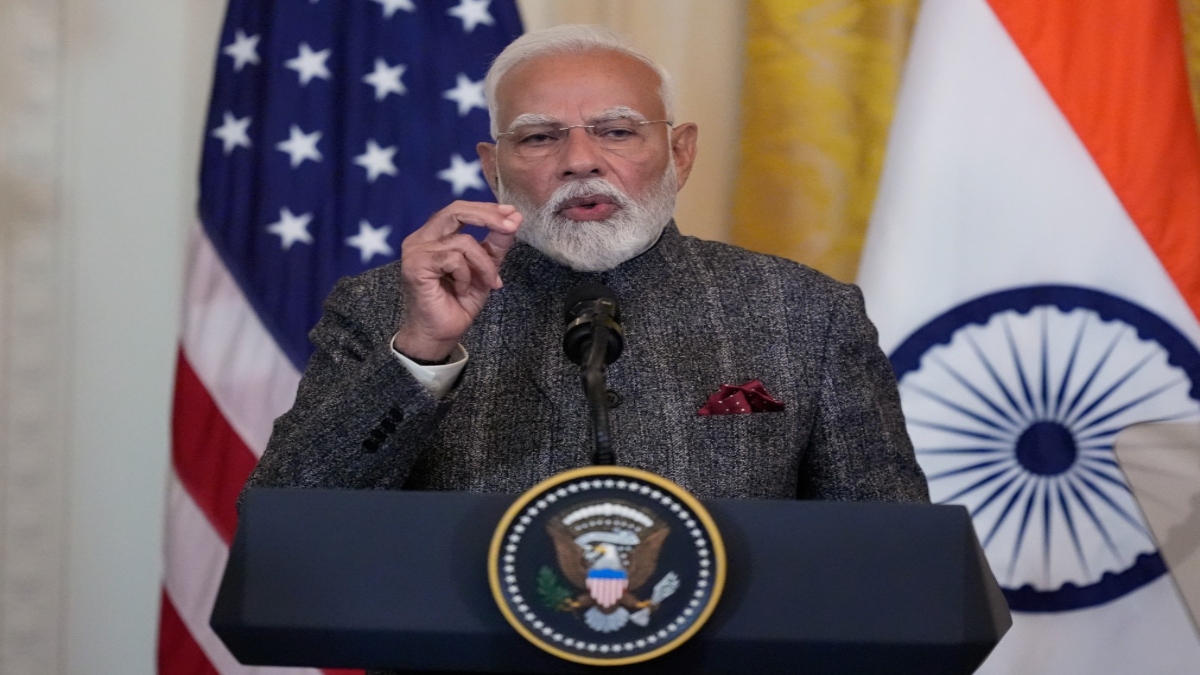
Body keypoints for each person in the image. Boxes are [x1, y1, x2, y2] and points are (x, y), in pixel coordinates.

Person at [244, 24, 928, 504]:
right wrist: (421, 352)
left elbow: (886, 556)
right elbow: (288, 525)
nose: (579, 160)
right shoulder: (382, 307)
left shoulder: (805, 313)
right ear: (494, 167)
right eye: (539, 137)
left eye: (617, 130)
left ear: (680, 153)